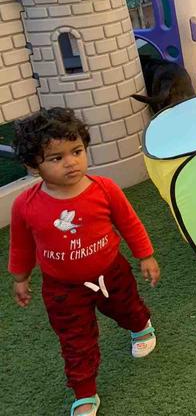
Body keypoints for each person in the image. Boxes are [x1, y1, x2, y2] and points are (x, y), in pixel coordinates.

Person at [7, 108, 160, 416]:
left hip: (112, 274)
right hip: (62, 289)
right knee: (75, 342)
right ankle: (84, 392)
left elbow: (130, 224)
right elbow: (21, 246)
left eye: (76, 151)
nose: (71, 162)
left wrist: (146, 255)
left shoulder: (105, 189)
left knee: (126, 307)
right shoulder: (26, 205)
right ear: (33, 165)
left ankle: (141, 327)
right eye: (56, 157)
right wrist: (21, 278)